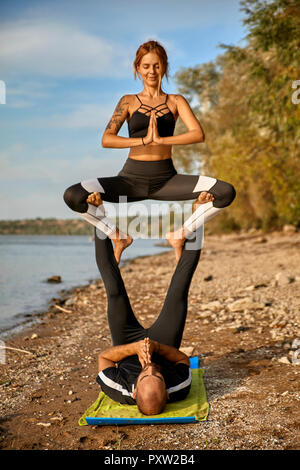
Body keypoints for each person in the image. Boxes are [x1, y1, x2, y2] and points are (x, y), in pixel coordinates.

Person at [63, 40, 236, 263]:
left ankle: (179, 234)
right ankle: (118, 236)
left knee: (226, 192)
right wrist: (142, 141)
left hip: (167, 181)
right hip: (130, 180)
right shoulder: (127, 101)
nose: (151, 71)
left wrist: (162, 139)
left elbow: (197, 134)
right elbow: (107, 139)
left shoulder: (175, 101)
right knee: (73, 195)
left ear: (164, 67)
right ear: (137, 69)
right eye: (146, 66)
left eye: (156, 65)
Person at [94, 208, 203, 415]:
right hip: (164, 345)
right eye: (159, 377)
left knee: (114, 292)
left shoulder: (119, 390)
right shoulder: (179, 388)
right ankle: (199, 214)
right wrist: (157, 348)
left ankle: (98, 215)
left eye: (144, 376)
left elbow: (104, 358)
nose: (151, 368)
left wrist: (135, 348)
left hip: (127, 343)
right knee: (179, 290)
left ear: (134, 394)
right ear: (168, 392)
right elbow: (182, 360)